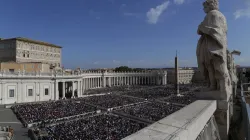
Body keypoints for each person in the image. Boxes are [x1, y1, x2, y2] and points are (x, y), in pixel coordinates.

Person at [196, 0, 231, 95]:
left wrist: (202, 28)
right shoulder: (222, 16)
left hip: (213, 45)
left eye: (205, 7)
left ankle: (215, 86)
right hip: (214, 43)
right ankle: (218, 86)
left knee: (212, 65)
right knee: (214, 65)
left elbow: (214, 30)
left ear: (210, 6)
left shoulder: (212, 14)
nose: (204, 9)